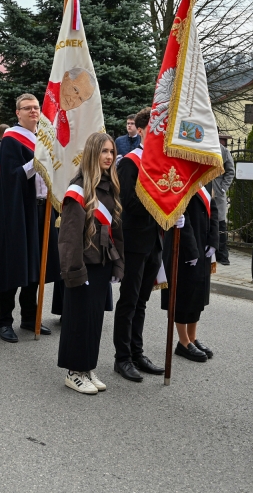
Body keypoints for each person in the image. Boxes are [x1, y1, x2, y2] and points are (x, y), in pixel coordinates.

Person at [57, 132, 124, 394]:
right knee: (78, 318)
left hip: (102, 262)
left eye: (111, 152)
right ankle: (74, 372)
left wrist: (118, 264)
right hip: (83, 263)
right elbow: (69, 237)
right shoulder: (79, 188)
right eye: (104, 151)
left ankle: (86, 367)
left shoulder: (109, 186)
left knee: (94, 319)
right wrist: (75, 271)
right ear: (93, 153)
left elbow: (116, 230)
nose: (109, 156)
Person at [0, 94, 60, 342]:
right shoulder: (11, 139)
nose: (33, 111)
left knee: (36, 263)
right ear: (17, 112)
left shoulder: (43, 138)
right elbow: (12, 177)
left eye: (36, 107)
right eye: (27, 108)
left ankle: (30, 317)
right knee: (15, 263)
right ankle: (5, 321)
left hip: (42, 208)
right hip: (20, 211)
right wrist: (37, 160)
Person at [112, 107, 165, 382]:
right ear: (143, 131)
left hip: (154, 240)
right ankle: (122, 358)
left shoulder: (159, 162)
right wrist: (159, 205)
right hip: (134, 241)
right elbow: (126, 203)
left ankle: (137, 352)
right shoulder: (131, 162)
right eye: (155, 129)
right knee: (129, 300)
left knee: (142, 301)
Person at [161, 181, 219, 363]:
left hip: (202, 243)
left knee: (197, 294)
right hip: (184, 246)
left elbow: (213, 209)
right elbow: (180, 214)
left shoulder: (205, 180)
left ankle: (192, 337)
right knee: (183, 294)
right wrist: (191, 249)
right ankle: (183, 341)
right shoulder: (181, 179)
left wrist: (214, 240)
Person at [211, 139, 235, 264]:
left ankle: (221, 254)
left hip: (217, 193)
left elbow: (230, 171)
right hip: (203, 190)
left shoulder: (224, 151)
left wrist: (222, 188)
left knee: (220, 223)